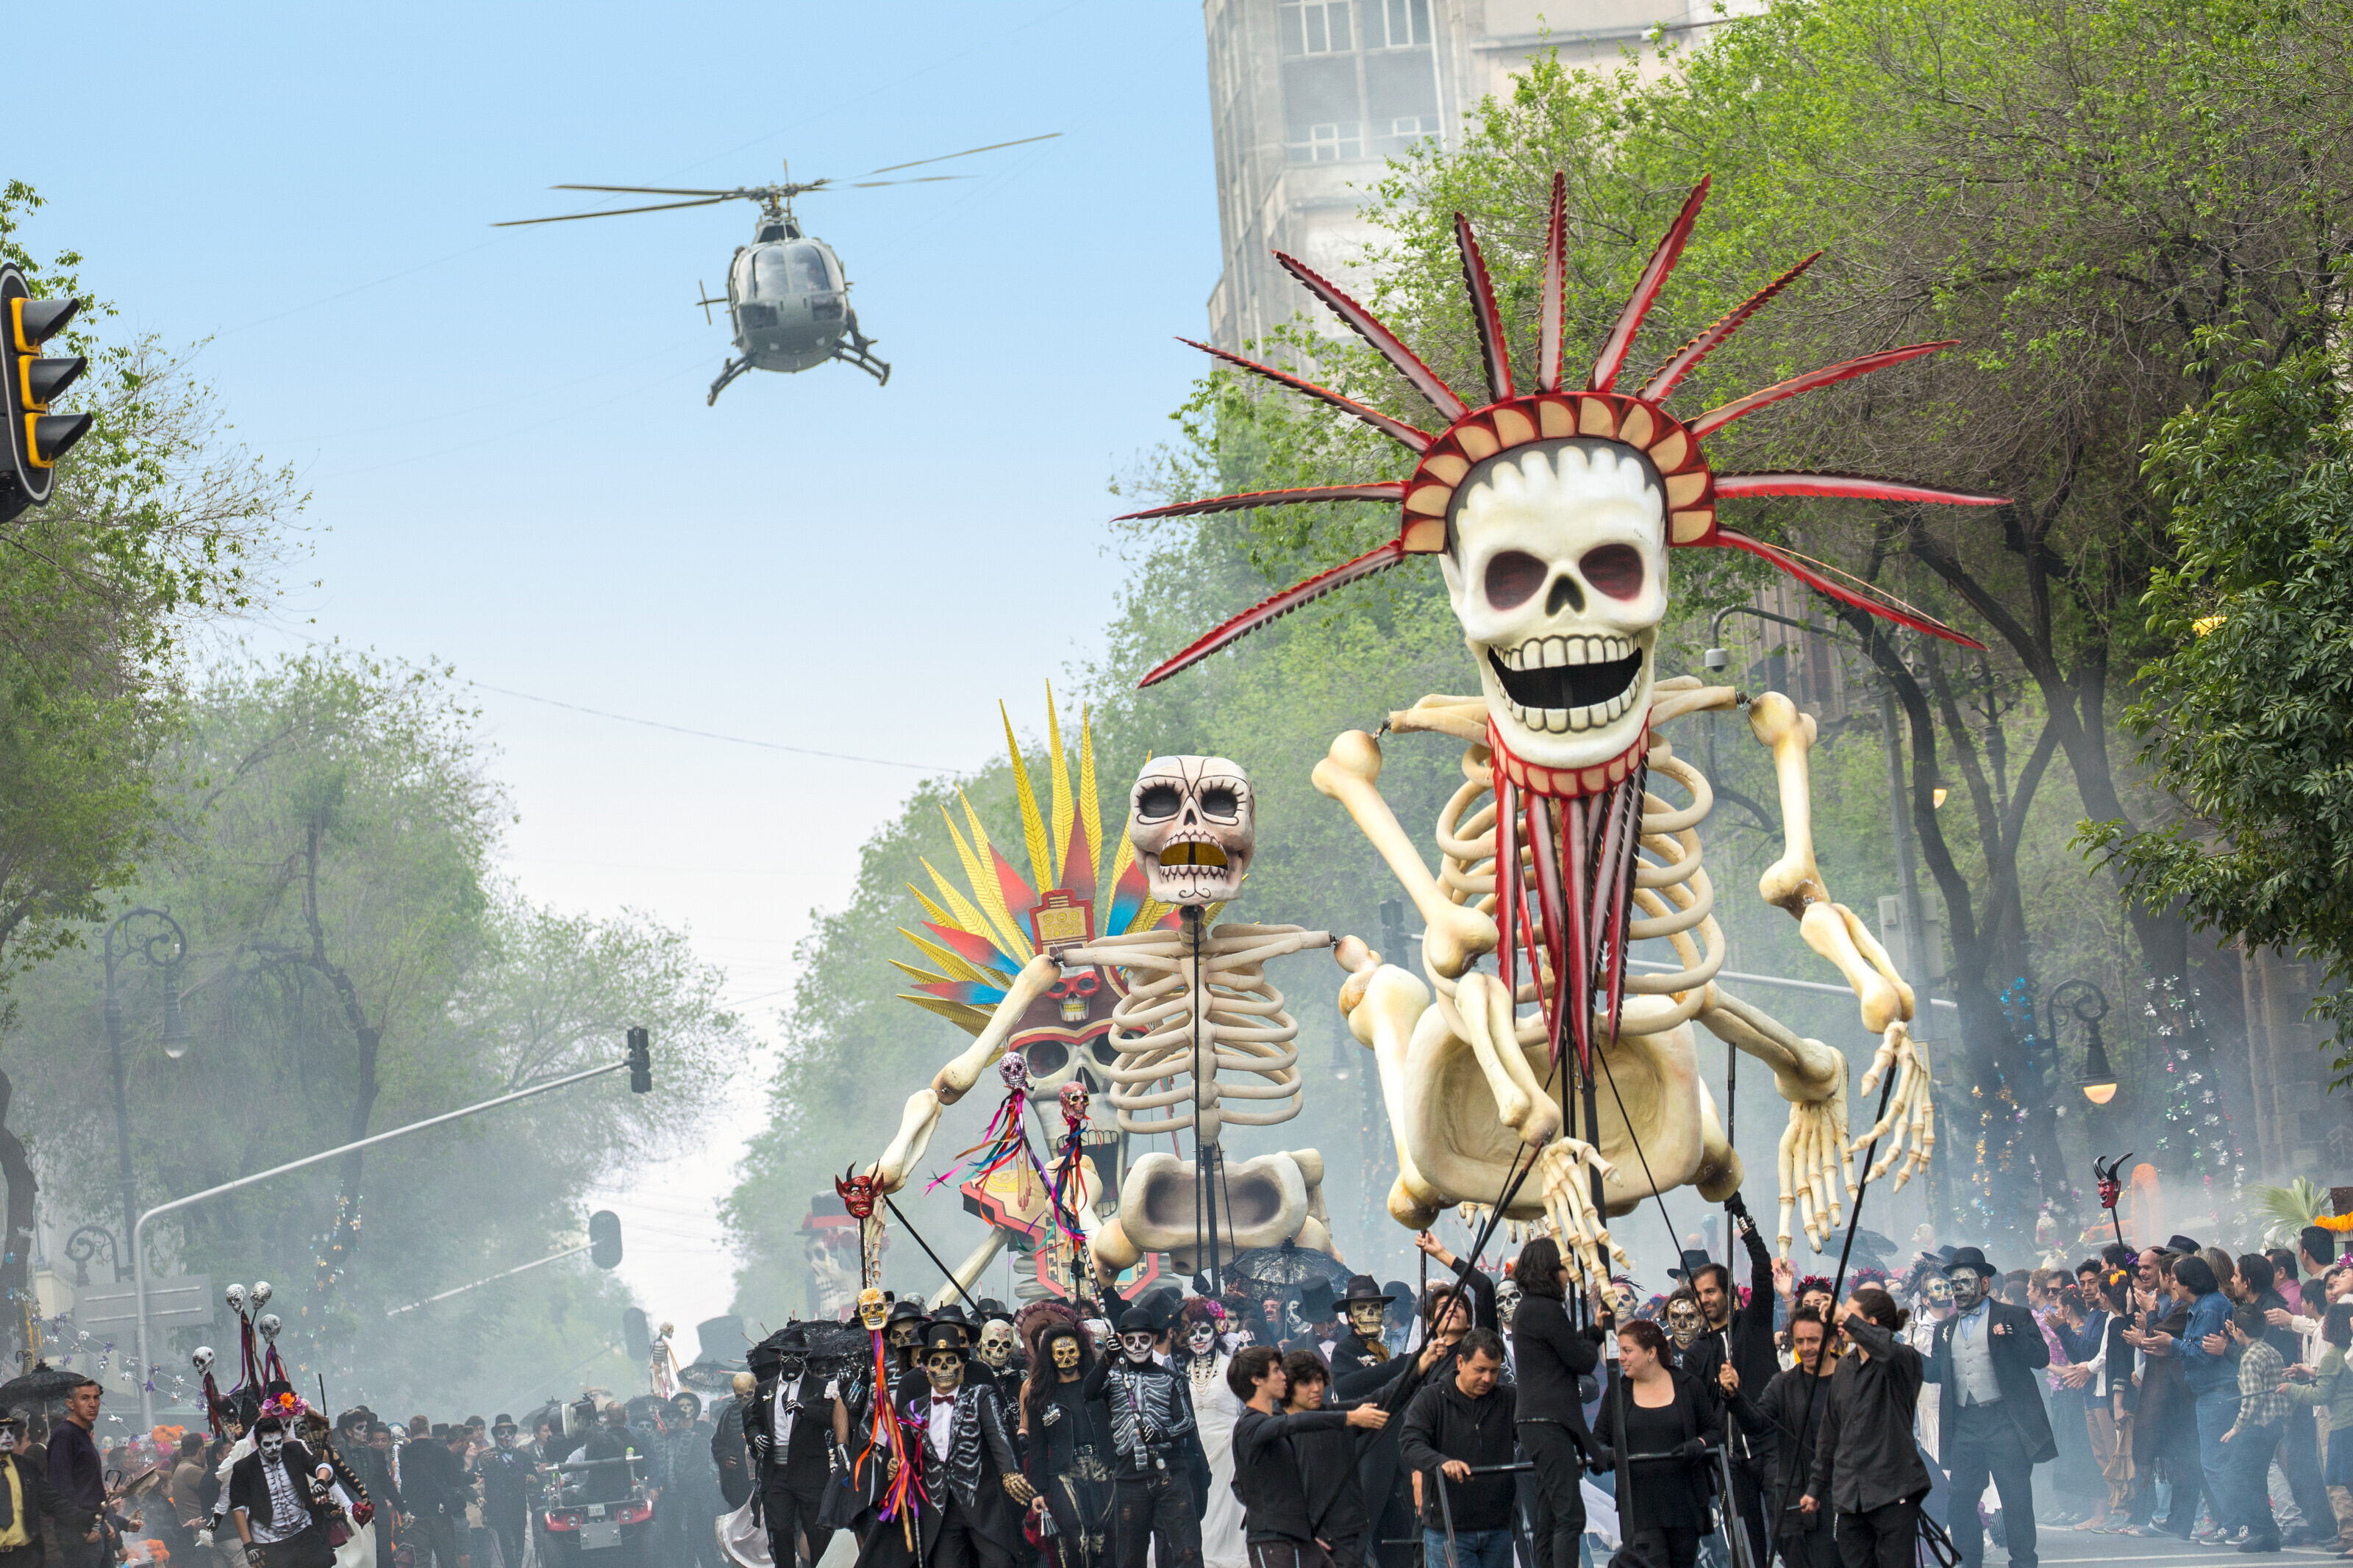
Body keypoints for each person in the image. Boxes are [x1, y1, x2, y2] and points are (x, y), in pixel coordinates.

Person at [1923, 1245, 2054, 1568]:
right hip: (1965, 1424)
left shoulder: (2014, 1316)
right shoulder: (1945, 1329)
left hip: (2004, 1421)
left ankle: (2024, 1561)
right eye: (1954, 1283)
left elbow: (2041, 1358)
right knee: (1961, 1498)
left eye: (1965, 1281)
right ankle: (1969, 1563)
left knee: (2016, 1497)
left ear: (1984, 1284)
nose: (1958, 1290)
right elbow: (1939, 1372)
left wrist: (2011, 1338)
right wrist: (1901, 1356)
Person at [857, 1322, 1026, 1568]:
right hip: (940, 1510)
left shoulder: (981, 1396)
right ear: (927, 1370)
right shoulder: (914, 1410)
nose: (944, 1367)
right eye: (937, 1362)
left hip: (982, 1503)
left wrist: (1009, 1470)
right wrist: (898, 1468)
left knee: (1000, 1563)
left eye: (951, 1360)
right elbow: (905, 1456)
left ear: (962, 1366)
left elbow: (998, 1435)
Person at [1802, 1288, 1929, 1568]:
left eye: (1849, 1315)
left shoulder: (1902, 1359)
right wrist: (1815, 1487)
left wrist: (1846, 1318)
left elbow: (1885, 1348)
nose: (1840, 1322)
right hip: (1851, 1497)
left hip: (1893, 1492)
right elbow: (1831, 1432)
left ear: (1869, 1324)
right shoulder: (1845, 1367)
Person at [1229, 1346, 1387, 1568]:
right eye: (1276, 1371)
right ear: (1257, 1379)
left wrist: (1306, 1533)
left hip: (1306, 1539)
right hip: (1274, 1544)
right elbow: (1294, 1422)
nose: (1282, 1376)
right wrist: (1349, 1418)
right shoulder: (1251, 1426)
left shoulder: (1271, 1428)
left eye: (1319, 1381)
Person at [1691, 1194, 1778, 1568]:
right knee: (1747, 1549)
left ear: (1727, 1292)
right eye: (1698, 1295)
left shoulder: (1755, 1323)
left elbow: (1762, 1268)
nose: (1704, 1300)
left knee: (1789, 1537)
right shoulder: (1697, 1351)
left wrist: (1743, 1218)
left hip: (1771, 1448)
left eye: (1710, 1291)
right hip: (1731, 1461)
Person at [1592, 1319, 1721, 1568]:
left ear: (1651, 1352)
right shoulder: (1618, 1393)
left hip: (1685, 1501)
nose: (1622, 1359)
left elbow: (1713, 1430)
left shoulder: (1688, 1386)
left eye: (1628, 1351)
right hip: (1640, 1504)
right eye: (1620, 1352)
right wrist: (1608, 1454)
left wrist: (1700, 1443)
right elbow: (1599, 1438)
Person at [1082, 1306, 1202, 1568]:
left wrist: (1162, 1434)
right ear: (1122, 1342)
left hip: (1170, 1474)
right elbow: (1088, 1392)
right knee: (1129, 1556)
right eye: (1131, 1340)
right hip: (1129, 1478)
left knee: (1185, 1551)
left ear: (1153, 1340)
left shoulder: (1171, 1378)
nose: (1137, 1346)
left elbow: (1187, 1422)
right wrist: (1107, 1359)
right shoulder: (1112, 1379)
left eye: (1144, 1340)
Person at [1507, 1237, 1600, 1568]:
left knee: (1548, 1517)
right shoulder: (1546, 1309)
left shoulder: (1528, 1310)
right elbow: (1580, 1360)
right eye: (1563, 1267)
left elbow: (1566, 1349)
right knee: (1570, 1516)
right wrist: (1595, 1337)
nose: (1567, 1275)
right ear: (1550, 1271)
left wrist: (1592, 1333)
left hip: (1535, 1423)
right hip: (1548, 1424)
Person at [1727, 1307, 1838, 1568]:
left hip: (1842, 1498)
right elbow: (1756, 1424)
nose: (1806, 1348)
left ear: (1832, 1341)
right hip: (1795, 1502)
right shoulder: (1783, 1384)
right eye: (1799, 1341)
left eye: (1813, 1340)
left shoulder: (1851, 1378)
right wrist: (1734, 1396)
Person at [1398, 1328, 1515, 1568]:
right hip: (1448, 1528)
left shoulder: (1509, 1399)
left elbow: (1533, 1435)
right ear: (1460, 1362)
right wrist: (1440, 1462)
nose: (1487, 1379)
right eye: (1480, 1370)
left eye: (1494, 1371)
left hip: (1498, 1527)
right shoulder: (1431, 1399)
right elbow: (1410, 1442)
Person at [1022, 1320, 1113, 1568]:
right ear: (1050, 1357)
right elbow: (1038, 1447)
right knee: (1074, 1541)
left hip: (1102, 1468)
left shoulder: (1100, 1386)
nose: (1066, 1358)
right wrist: (1038, 1491)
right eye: (1059, 1353)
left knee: (1106, 1539)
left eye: (1071, 1351)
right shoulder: (1040, 1396)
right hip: (1063, 1474)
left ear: (1081, 1352)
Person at [1282, 1351, 1378, 1568]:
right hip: (1295, 1541)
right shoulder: (1273, 1427)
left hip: (1344, 1533)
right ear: (1288, 1386)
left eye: (1319, 1380)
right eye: (1306, 1382)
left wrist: (1417, 1366)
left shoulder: (1339, 1417)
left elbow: (1382, 1399)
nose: (1316, 1389)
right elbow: (1248, 1488)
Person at [1173, 1298, 1247, 1568]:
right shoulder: (1181, 1370)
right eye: (1191, 1333)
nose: (1198, 1338)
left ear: (1217, 1330)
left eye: (1203, 1330)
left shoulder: (1232, 1366)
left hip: (1228, 1449)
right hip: (1194, 1451)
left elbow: (1245, 1409)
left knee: (1226, 1513)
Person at [2174, 1253, 2240, 1542]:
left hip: (2218, 1393)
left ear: (2189, 1282)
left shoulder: (2211, 1307)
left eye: (2175, 1279)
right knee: (2215, 1461)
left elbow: (2204, 1354)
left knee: (2216, 1462)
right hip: (2209, 1394)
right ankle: (2233, 1521)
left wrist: (2171, 1344)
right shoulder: (2204, 1305)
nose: (2172, 1285)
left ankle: (2235, 1522)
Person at [2290, 1300, 2353, 1554]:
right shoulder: (2347, 1354)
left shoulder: (2332, 1357)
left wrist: (2291, 1390)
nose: (2322, 1325)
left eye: (2326, 1321)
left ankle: (2349, 1535)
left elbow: (2320, 1396)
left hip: (2341, 1426)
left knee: (2341, 1482)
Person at [229, 1415, 332, 1568]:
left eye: (278, 1442)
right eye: (268, 1444)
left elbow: (322, 1467)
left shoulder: (294, 1451)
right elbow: (238, 1509)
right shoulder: (244, 1468)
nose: (274, 1448)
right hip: (269, 1541)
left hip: (304, 1532)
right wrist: (249, 1546)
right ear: (258, 1443)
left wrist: (320, 1482)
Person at [47, 1379, 104, 1568]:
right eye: (85, 1398)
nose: (92, 1404)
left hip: (94, 1527)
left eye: (96, 1398)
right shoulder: (65, 1436)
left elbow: (91, 1486)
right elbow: (61, 1488)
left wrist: (104, 1523)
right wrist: (82, 1527)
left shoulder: (82, 1433)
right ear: (70, 1404)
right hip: (79, 1535)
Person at [0, 1407, 64, 1568]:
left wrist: (85, 1518)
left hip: (24, 1556)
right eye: (1, 1431)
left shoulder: (25, 1466)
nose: (7, 1436)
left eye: (9, 1430)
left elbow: (52, 1500)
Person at [475, 1418, 529, 1568]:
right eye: (502, 1433)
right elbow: (474, 1474)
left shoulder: (523, 1456)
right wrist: (482, 1464)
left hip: (519, 1507)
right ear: (496, 1436)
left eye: (509, 1433)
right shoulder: (487, 1456)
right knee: (507, 1544)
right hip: (499, 1508)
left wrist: (530, 1479)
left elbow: (533, 1477)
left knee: (520, 1545)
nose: (506, 1436)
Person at [1330, 1280, 1401, 1382]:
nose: (1371, 1313)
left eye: (1376, 1307)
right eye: (1362, 1308)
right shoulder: (1344, 1351)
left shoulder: (1381, 1349)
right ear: (1351, 1317)